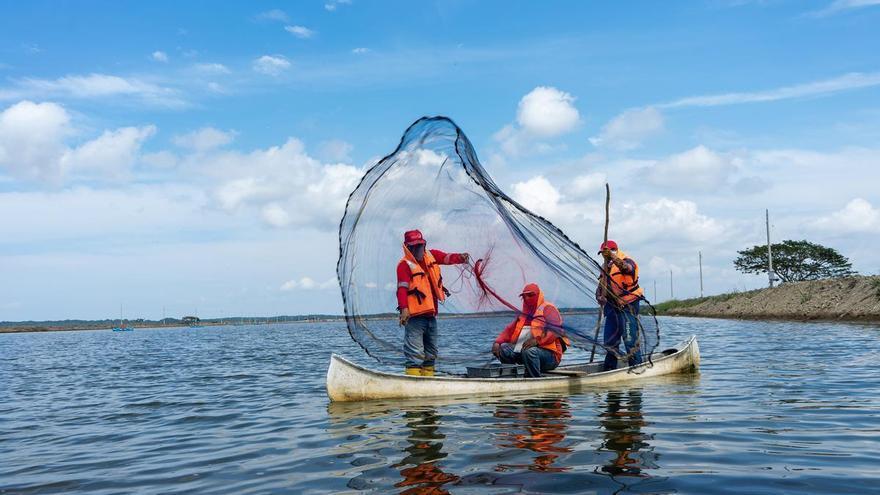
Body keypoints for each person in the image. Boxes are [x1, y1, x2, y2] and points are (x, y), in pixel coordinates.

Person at [397, 229, 470, 376]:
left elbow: (447, 258)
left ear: (424, 244)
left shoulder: (432, 255)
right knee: (415, 354)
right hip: (414, 318)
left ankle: (428, 381)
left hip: (431, 317)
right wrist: (404, 309)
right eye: (414, 246)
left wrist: (461, 257)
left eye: (420, 245)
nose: (418, 248)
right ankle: (413, 382)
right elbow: (402, 289)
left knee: (431, 353)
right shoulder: (404, 265)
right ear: (407, 247)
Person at [492, 283, 569, 378]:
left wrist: (537, 341)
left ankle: (534, 379)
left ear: (538, 295)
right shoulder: (524, 314)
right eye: (524, 296)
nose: (527, 298)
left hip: (551, 356)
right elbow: (509, 330)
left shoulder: (548, 308)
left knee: (529, 351)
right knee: (504, 349)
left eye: (530, 295)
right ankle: (511, 377)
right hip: (527, 353)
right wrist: (497, 342)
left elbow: (554, 331)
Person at [596, 240, 644, 371]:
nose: (603, 256)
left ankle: (636, 368)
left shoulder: (627, 261)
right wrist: (599, 297)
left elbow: (626, 268)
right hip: (612, 307)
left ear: (614, 251)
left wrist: (612, 257)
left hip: (628, 305)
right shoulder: (605, 268)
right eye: (602, 253)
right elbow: (599, 288)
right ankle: (609, 370)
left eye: (606, 253)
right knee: (610, 342)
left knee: (630, 339)